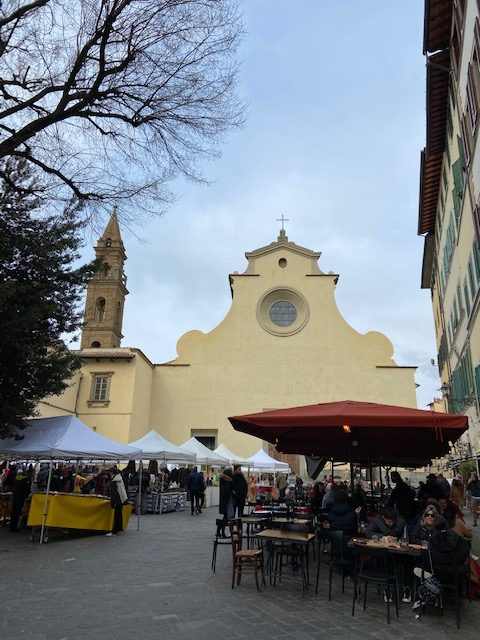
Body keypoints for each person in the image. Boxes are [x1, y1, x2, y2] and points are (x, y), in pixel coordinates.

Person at [107, 466, 127, 536]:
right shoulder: (120, 479)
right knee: (119, 514)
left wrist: (112, 502)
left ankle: (114, 531)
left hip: (117, 500)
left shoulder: (114, 481)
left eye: (109, 473)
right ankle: (120, 528)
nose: (109, 474)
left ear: (112, 473)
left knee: (116, 515)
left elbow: (114, 493)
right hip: (121, 498)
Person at [9, 467, 31, 532]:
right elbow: (27, 490)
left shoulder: (16, 479)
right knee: (18, 512)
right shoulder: (26, 480)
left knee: (13, 512)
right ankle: (15, 527)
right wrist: (26, 495)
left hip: (15, 497)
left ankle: (11, 526)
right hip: (21, 497)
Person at [218, 467, 234, 537]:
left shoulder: (223, 480)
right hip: (226, 501)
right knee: (225, 518)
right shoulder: (227, 481)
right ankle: (221, 532)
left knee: (225, 517)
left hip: (223, 501)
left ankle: (219, 532)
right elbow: (227, 492)